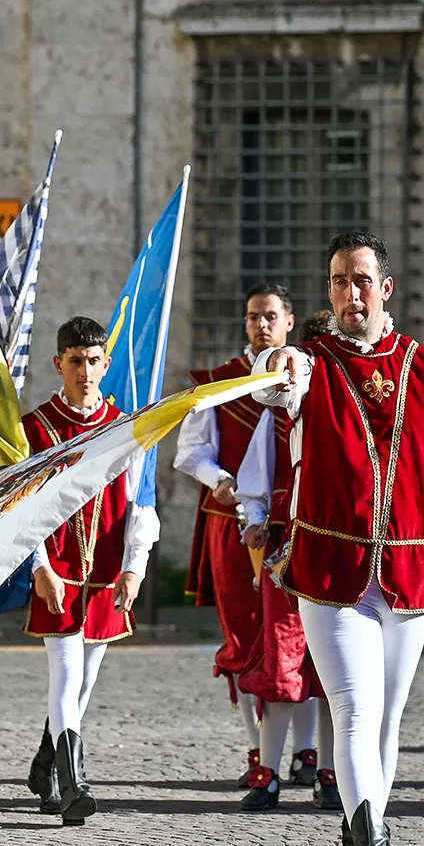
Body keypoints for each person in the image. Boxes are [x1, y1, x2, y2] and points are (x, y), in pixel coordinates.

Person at [246, 231, 424, 846]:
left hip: (411, 568)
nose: (349, 293)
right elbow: (276, 376)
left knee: (387, 718)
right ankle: (374, 845)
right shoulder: (310, 363)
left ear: (385, 288)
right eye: (337, 281)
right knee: (354, 710)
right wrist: (275, 362)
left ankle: (356, 844)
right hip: (332, 570)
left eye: (361, 280)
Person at [22, 317, 159, 824]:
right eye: (75, 361)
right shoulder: (36, 428)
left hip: (105, 570)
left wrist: (135, 567)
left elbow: (141, 500)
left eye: (94, 361)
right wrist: (39, 565)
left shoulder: (126, 427)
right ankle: (73, 782)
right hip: (56, 567)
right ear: (59, 363)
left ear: (106, 364)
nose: (85, 371)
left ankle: (45, 766)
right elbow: (25, 507)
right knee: (64, 674)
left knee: (83, 685)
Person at [175, 283, 298, 786]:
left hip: (294, 525)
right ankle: (257, 750)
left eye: (270, 316)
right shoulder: (219, 383)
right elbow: (190, 451)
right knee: (245, 640)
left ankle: (308, 753)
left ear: (288, 321)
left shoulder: (304, 377)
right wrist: (220, 480)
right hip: (231, 528)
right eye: (253, 317)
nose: (261, 325)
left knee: (298, 642)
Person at [234, 309, 342, 813]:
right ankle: (268, 774)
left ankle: (330, 771)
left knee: (334, 672)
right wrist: (254, 518)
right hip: (287, 556)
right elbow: (254, 480)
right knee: (280, 666)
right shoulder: (278, 415)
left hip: (345, 557)